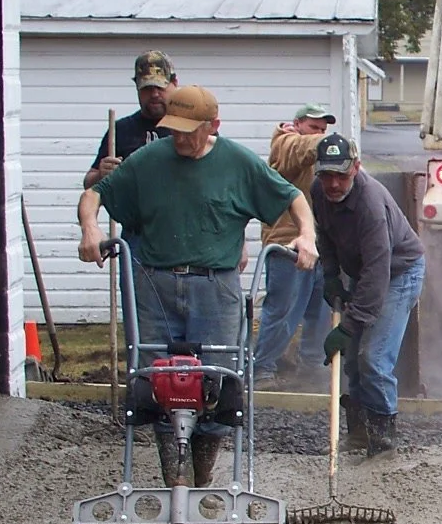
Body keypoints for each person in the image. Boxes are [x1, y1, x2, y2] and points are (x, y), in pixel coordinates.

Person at [78, 85, 317, 486]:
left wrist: (306, 235)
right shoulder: (148, 161)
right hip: (155, 284)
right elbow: (94, 194)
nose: (182, 139)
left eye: (191, 130)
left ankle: (202, 473)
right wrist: (90, 229)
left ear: (213, 126)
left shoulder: (237, 163)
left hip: (216, 287)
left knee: (217, 382)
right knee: (157, 379)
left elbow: (293, 197)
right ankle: (175, 477)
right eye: (175, 130)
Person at [312, 133, 426, 456]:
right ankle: (359, 433)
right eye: (326, 175)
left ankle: (383, 442)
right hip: (366, 272)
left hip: (399, 272)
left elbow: (379, 274)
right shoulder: (318, 193)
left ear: (357, 168)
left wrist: (348, 327)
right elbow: (325, 235)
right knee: (352, 360)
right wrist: (331, 274)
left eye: (341, 175)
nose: (333, 184)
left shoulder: (370, 205)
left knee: (372, 358)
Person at [253, 103, 336, 386]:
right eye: (314, 127)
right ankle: (262, 368)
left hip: (316, 244)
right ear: (297, 124)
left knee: (321, 309)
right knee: (284, 309)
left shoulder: (311, 151)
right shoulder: (286, 144)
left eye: (324, 130)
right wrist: (332, 143)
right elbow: (302, 149)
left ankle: (311, 365)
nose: (320, 134)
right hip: (287, 245)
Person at [85, 50, 178, 188]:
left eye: (160, 87)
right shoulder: (121, 130)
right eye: (147, 88)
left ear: (174, 83)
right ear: (137, 87)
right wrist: (101, 175)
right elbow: (88, 184)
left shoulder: (191, 126)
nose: (154, 94)